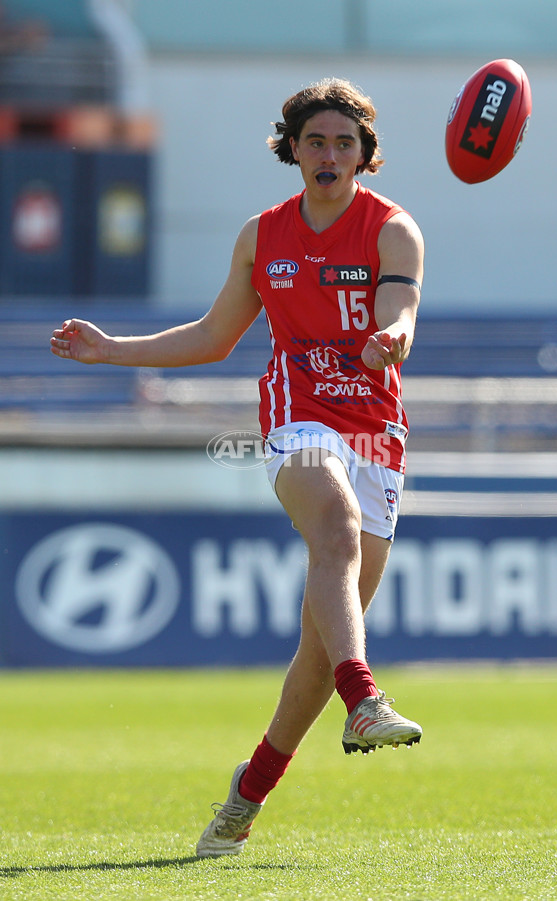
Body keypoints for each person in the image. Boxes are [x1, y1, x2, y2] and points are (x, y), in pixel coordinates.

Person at [50, 77, 425, 859]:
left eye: (344, 143)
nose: (329, 155)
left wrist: (390, 338)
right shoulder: (264, 236)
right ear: (292, 149)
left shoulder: (393, 230)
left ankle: (246, 793)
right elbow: (216, 335)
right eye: (315, 141)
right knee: (332, 522)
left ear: (364, 156)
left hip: (378, 434)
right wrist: (111, 349)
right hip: (298, 418)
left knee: (315, 657)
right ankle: (368, 697)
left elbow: (402, 312)